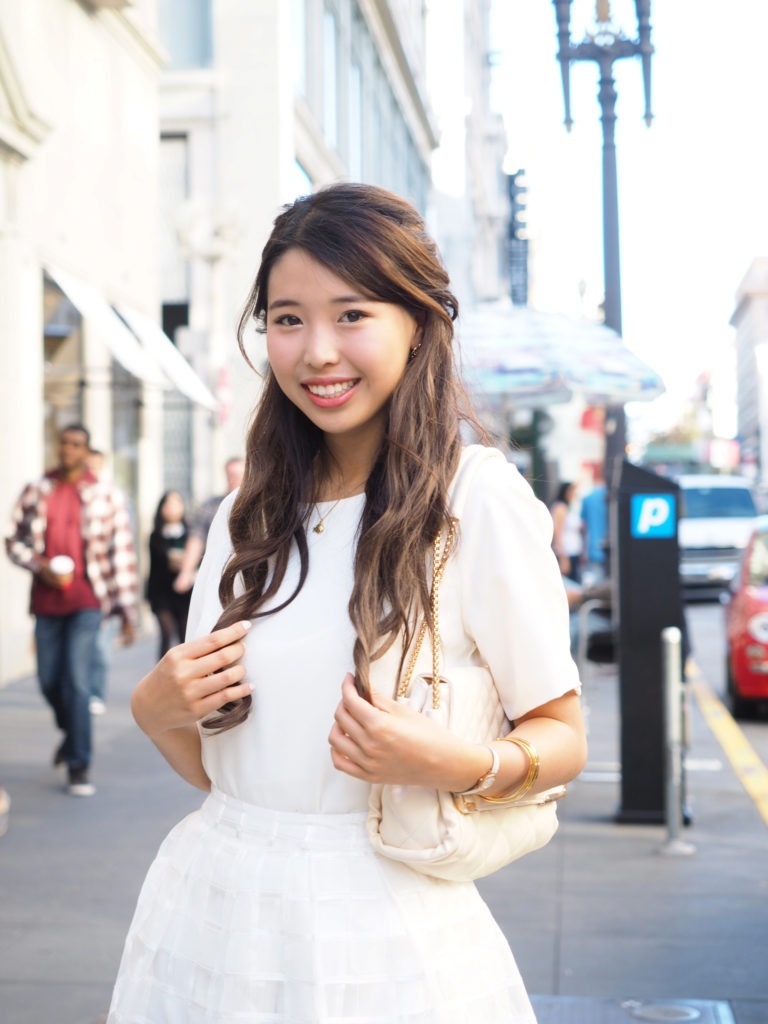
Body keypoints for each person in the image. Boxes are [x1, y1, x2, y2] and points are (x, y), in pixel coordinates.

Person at [107, 184, 586, 1023]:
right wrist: (157, 712)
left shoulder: (476, 500)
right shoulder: (248, 515)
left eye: (351, 315)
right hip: (213, 911)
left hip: (384, 928)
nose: (317, 351)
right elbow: (224, 772)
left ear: (418, 321)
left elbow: (563, 736)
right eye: (288, 319)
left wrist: (453, 764)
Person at [5, 424, 138, 796]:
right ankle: (72, 735)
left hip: (87, 601)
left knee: (78, 682)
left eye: (76, 444)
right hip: (46, 602)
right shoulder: (37, 489)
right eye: (63, 442)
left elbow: (122, 555)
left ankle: (79, 764)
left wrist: (128, 613)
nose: (68, 449)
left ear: (86, 450)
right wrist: (39, 565)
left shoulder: (106, 496)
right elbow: (12, 539)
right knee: (49, 681)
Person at [172, 457, 245, 594]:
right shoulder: (211, 506)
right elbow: (196, 539)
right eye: (229, 475)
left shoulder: (259, 506)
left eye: (237, 475)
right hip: (217, 575)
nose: (232, 479)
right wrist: (186, 572)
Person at [146, 491, 192, 659]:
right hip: (161, 592)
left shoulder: (190, 534)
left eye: (176, 503)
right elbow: (155, 565)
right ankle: (163, 677)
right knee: (166, 632)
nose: (172, 508)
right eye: (168, 504)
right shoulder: (155, 535)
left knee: (184, 636)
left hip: (184, 593)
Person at [551, 481, 583, 582]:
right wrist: (563, 558)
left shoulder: (568, 508)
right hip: (567, 553)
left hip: (573, 552)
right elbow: (558, 535)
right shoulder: (560, 508)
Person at [581, 469, 608, 581]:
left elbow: (583, 525)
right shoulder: (612, 496)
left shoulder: (588, 498)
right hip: (614, 548)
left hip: (594, 547)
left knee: (597, 581)